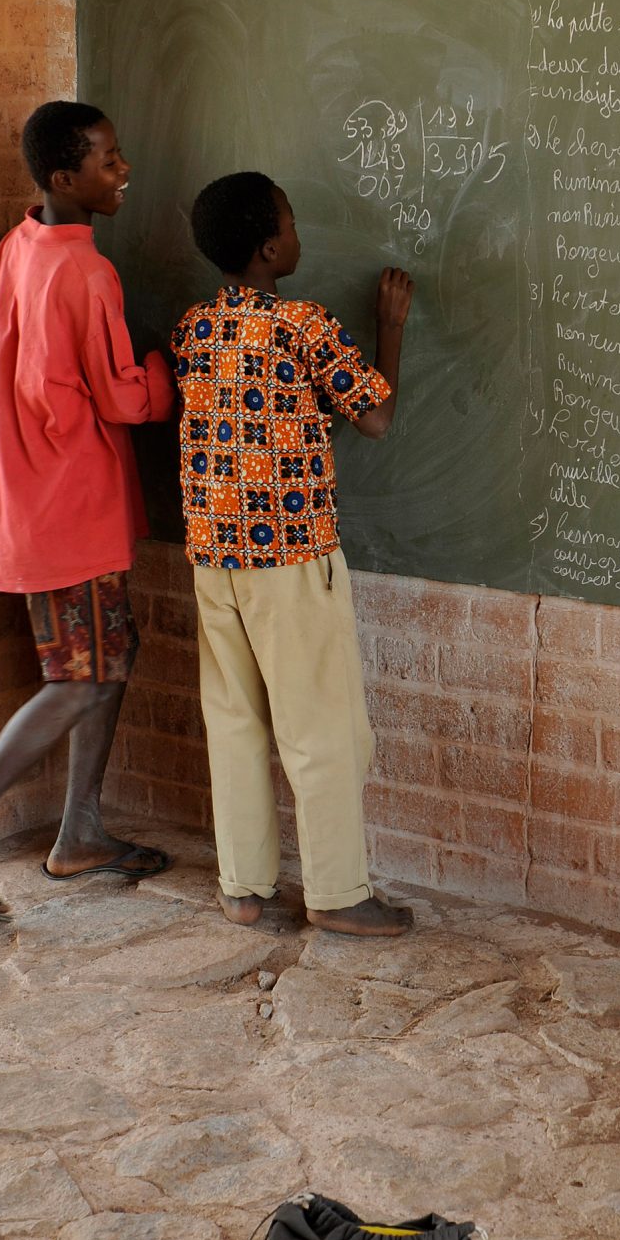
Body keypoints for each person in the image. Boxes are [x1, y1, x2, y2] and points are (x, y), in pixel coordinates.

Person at [0, 102, 176, 918]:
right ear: (66, 178)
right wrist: (167, 371)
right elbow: (123, 402)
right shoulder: (87, 272)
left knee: (107, 660)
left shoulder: (21, 244)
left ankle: (80, 831)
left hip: (28, 495)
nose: (123, 170)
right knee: (80, 676)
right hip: (66, 503)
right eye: (108, 159)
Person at [170, 170, 414, 937]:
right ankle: (339, 894)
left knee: (234, 720)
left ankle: (244, 888)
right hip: (290, 557)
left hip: (215, 557)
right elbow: (373, 418)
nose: (301, 234)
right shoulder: (304, 326)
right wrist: (392, 328)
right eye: (294, 224)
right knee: (323, 728)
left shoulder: (192, 329)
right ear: (271, 248)